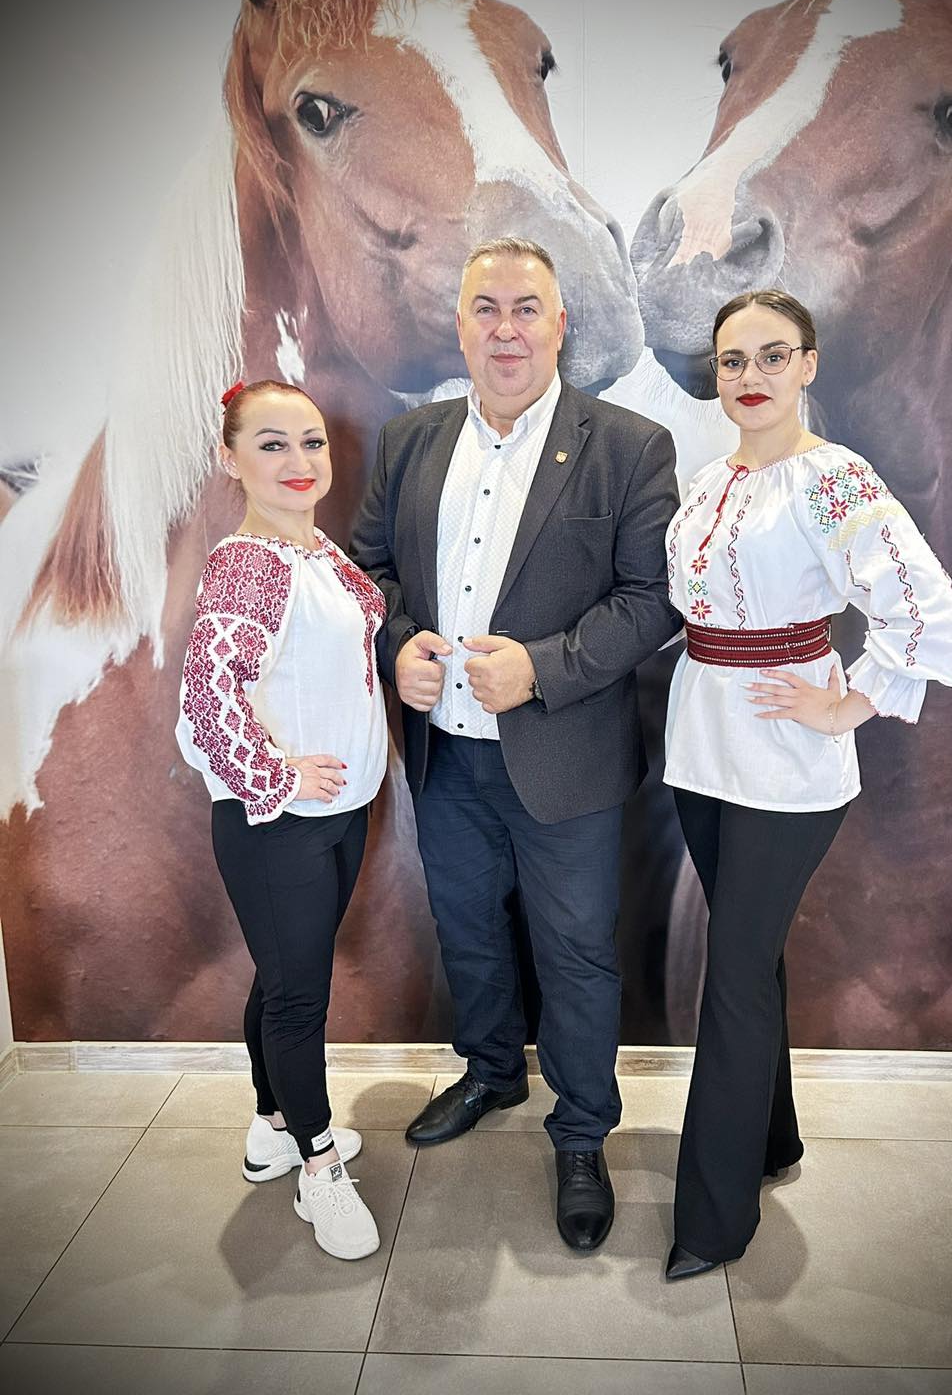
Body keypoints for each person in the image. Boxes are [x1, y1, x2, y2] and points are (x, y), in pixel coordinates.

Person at [351, 237, 681, 1252]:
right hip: (445, 756)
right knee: (468, 931)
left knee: (576, 954)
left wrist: (542, 667)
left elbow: (653, 599)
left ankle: (581, 1133)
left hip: (566, 761)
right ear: (459, 326)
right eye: (486, 309)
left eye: (526, 309)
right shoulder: (408, 440)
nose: (506, 329)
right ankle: (491, 1072)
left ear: (559, 324)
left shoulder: (629, 445)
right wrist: (397, 644)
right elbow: (367, 573)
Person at [663, 290, 952, 1280]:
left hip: (786, 762)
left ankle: (713, 1222)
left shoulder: (832, 478)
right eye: (732, 360)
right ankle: (772, 1140)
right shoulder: (707, 481)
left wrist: (852, 704)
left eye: (772, 355)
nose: (749, 376)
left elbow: (926, 606)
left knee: (733, 973)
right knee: (748, 955)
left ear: (808, 364)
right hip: (700, 749)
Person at [176, 378, 388, 1262]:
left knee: (282, 977)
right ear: (230, 459)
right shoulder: (249, 563)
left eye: (311, 442)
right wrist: (276, 775)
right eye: (271, 444)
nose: (299, 461)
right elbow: (207, 701)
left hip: (337, 810)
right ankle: (318, 1166)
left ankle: (271, 1127)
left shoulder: (315, 550)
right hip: (279, 823)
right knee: (300, 997)